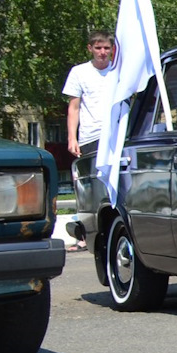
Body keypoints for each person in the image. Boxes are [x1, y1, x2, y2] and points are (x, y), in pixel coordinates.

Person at [63, 32, 116, 248]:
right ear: (90, 49)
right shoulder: (79, 72)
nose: (102, 52)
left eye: (106, 48)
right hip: (90, 137)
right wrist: (71, 138)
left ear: (112, 49)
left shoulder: (118, 70)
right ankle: (85, 234)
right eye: (98, 48)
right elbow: (73, 107)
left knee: (114, 185)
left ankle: (111, 228)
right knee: (90, 187)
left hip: (115, 136)